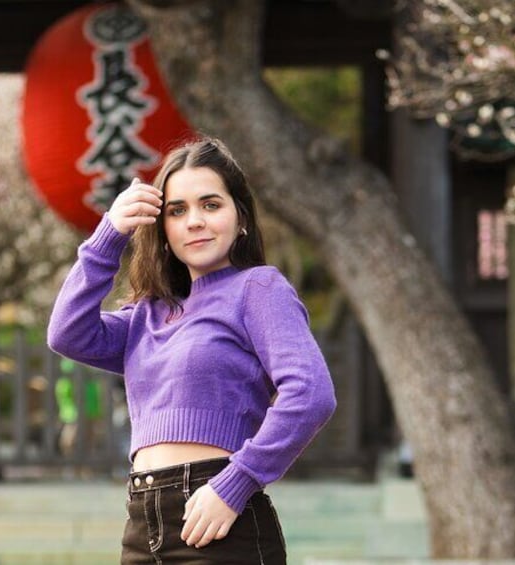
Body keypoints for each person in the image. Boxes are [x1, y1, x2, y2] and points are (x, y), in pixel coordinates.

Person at [47, 137, 337, 564]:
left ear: (240, 217)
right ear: (162, 229)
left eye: (211, 205)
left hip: (218, 513)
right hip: (142, 522)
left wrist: (237, 482)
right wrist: (110, 234)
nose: (195, 221)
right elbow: (67, 333)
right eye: (177, 211)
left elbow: (311, 394)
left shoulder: (257, 288)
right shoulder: (147, 315)